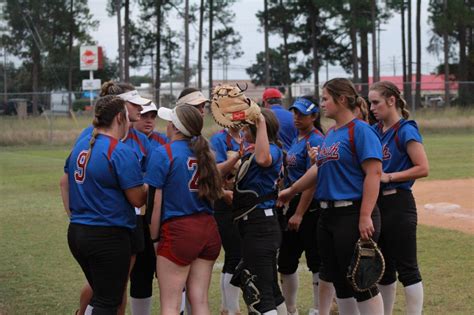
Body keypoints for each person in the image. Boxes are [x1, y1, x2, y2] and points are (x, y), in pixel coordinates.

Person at [278, 78, 384, 315]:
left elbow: (374, 173)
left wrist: (365, 215)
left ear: (342, 99)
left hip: (352, 212)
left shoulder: (361, 130)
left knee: (361, 281)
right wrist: (290, 191)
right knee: (340, 281)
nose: (323, 104)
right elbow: (318, 169)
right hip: (328, 216)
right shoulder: (333, 133)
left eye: (326, 98)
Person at [60, 95, 148, 315]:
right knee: (109, 302)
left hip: (78, 232)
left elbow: (66, 182)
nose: (130, 123)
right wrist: (152, 183)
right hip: (107, 236)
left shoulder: (82, 144)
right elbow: (137, 199)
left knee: (101, 296)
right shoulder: (118, 150)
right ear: (119, 117)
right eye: (127, 117)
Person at [145, 105, 223, 314]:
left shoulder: (164, 153)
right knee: (200, 301)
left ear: (175, 127)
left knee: (170, 304)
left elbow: (154, 203)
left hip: (180, 230)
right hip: (208, 228)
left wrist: (153, 239)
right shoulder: (206, 152)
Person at [369, 81, 429, 315]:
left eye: (376, 102)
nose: (372, 108)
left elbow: (423, 167)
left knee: (407, 268)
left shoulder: (406, 129)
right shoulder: (375, 130)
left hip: (399, 202)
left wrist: (389, 176)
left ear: (391, 100)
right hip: (378, 204)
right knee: (384, 268)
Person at [232, 108, 286, 315]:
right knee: (271, 289)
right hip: (257, 225)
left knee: (260, 295)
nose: (244, 131)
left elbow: (264, 159)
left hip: (260, 227)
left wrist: (260, 121)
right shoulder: (257, 150)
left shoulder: (271, 150)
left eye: (247, 126)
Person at [278, 96, 325, 315]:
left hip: (308, 206)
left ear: (314, 116)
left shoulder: (315, 139)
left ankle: (318, 308)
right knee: (286, 260)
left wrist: (299, 213)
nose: (296, 117)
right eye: (295, 113)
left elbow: (312, 181)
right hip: (292, 201)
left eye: (302, 114)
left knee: (315, 259)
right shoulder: (299, 138)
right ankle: (291, 308)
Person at [210, 126, 245, 315]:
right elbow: (215, 172)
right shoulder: (218, 139)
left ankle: (227, 307)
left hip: (240, 200)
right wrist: (235, 161)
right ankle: (233, 309)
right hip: (225, 202)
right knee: (235, 255)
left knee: (234, 255)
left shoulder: (245, 136)